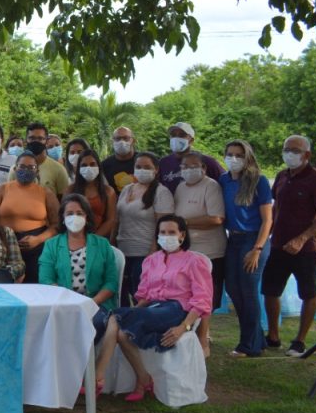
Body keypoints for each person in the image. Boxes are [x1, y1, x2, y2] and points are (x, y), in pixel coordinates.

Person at [95, 215, 213, 401]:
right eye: (162, 232)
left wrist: (184, 327)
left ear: (182, 235)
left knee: (116, 317)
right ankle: (143, 379)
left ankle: (97, 377)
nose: (166, 236)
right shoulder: (151, 261)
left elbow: (202, 300)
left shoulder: (193, 261)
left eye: (172, 232)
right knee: (122, 332)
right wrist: (133, 313)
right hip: (153, 308)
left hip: (176, 309)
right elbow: (144, 296)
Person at [262, 135, 316, 357]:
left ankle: (299, 341)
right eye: (286, 149)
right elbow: (275, 208)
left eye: (295, 150)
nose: (289, 154)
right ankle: (273, 337)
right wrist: (266, 235)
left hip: (305, 249)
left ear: (306, 154)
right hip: (278, 245)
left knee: (308, 293)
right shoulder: (282, 176)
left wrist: (302, 238)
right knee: (270, 290)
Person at [39, 194, 118, 343]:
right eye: (69, 213)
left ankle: (84, 359)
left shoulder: (102, 244)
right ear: (63, 218)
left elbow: (111, 282)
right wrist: (69, 302)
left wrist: (91, 303)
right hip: (62, 305)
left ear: (87, 217)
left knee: (88, 325)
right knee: (56, 327)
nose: (74, 217)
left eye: (79, 213)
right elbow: (46, 279)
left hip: (97, 305)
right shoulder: (51, 245)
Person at [219, 140, 273, 358]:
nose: (233, 159)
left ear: (247, 157)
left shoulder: (259, 181)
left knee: (248, 292)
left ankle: (248, 345)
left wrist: (257, 249)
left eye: (239, 155)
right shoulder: (223, 180)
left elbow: (267, 220)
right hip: (233, 239)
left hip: (254, 240)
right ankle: (257, 338)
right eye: (230, 154)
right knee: (233, 289)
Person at [173, 151, 226, 356]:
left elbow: (216, 218)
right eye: (184, 167)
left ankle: (204, 339)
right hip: (187, 250)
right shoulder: (180, 187)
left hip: (209, 251)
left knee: (205, 296)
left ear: (203, 168)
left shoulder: (211, 186)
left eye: (193, 166)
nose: (188, 170)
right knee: (189, 294)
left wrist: (184, 223)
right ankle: (192, 333)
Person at [115, 152, 174, 305]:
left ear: (156, 170)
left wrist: (153, 252)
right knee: (121, 296)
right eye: (138, 167)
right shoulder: (127, 189)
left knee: (141, 297)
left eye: (147, 167)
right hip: (122, 251)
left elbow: (163, 226)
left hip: (145, 253)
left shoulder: (161, 192)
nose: (142, 170)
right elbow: (117, 220)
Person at [0, 151, 60, 284]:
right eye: (22, 166)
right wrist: (1, 239)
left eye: (31, 167)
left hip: (37, 246)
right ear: (15, 168)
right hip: (5, 244)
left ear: (37, 171)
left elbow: (57, 224)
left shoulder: (46, 193)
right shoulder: (2, 189)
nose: (26, 170)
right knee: (6, 284)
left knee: (34, 285)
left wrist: (38, 239)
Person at [65, 149, 117, 239]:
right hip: (74, 238)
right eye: (84, 165)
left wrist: (92, 239)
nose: (88, 168)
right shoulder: (70, 190)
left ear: (98, 166)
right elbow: (65, 216)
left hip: (99, 239)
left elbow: (111, 220)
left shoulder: (108, 191)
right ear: (79, 168)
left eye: (92, 164)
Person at [158, 122, 223, 192]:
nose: (176, 138)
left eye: (182, 135)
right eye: (173, 135)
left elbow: (225, 182)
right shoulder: (163, 163)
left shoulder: (207, 161)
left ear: (191, 140)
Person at [10, 122, 69, 197]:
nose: (36, 141)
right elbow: (10, 195)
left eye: (40, 138)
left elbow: (63, 200)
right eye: (32, 138)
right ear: (26, 140)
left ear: (46, 141)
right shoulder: (16, 169)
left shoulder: (59, 170)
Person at [101, 126, 138, 193]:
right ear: (112, 142)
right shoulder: (104, 165)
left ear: (133, 141)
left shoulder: (143, 161)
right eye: (117, 138)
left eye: (126, 138)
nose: (121, 141)